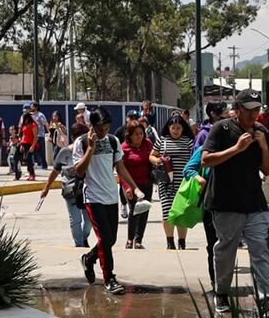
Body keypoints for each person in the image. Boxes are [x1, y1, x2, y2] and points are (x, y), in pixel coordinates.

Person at [201, 89, 269, 314]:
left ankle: (266, 298)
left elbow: (268, 169)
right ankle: (221, 292)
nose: (254, 116)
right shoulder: (220, 129)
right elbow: (206, 160)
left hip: (254, 202)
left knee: (260, 249)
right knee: (226, 250)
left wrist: (262, 146)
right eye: (249, 110)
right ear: (238, 109)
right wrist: (236, 148)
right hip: (226, 202)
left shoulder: (261, 131)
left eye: (257, 110)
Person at [74, 107, 145, 295]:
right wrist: (90, 148)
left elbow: (120, 168)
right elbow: (79, 171)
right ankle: (109, 278)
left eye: (106, 127)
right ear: (92, 125)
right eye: (100, 127)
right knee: (104, 238)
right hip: (93, 197)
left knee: (111, 239)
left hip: (111, 197)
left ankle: (89, 258)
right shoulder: (81, 143)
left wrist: (133, 186)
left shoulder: (113, 142)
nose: (103, 130)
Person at [40, 142, 90, 247]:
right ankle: (79, 244)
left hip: (87, 189)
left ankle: (84, 237)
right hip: (70, 189)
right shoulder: (65, 152)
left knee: (89, 219)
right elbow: (55, 171)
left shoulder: (90, 150)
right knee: (75, 220)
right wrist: (46, 187)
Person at [156, 113, 195, 250]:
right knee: (167, 212)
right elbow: (152, 156)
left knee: (181, 212)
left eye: (178, 128)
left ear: (183, 128)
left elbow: (195, 158)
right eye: (173, 128)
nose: (176, 130)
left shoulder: (188, 142)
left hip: (183, 183)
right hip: (166, 182)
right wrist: (158, 160)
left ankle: (182, 241)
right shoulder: (162, 141)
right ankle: (170, 241)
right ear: (169, 128)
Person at [121, 121, 159, 249]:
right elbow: (121, 170)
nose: (139, 136)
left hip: (146, 183)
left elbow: (154, 158)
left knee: (144, 210)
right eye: (136, 134)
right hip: (131, 185)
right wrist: (126, 187)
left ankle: (139, 240)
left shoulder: (148, 144)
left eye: (141, 133)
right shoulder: (124, 148)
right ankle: (130, 239)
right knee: (134, 210)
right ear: (129, 135)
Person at [184, 144, 216, 290]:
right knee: (213, 245)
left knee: (229, 247)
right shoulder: (207, 146)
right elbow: (188, 169)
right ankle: (216, 284)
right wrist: (199, 179)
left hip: (236, 205)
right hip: (211, 204)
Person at [18, 112, 39, 181]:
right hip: (24, 144)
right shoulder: (24, 125)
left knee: (28, 158)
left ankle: (32, 174)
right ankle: (30, 173)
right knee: (26, 159)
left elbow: (35, 136)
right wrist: (21, 145)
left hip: (31, 144)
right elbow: (23, 135)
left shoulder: (33, 125)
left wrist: (33, 146)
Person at [29, 101, 49, 168]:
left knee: (41, 151)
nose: (31, 107)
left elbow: (45, 123)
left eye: (32, 106)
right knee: (33, 151)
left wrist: (49, 132)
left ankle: (44, 165)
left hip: (40, 135)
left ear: (36, 107)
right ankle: (36, 164)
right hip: (32, 136)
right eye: (31, 106)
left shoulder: (40, 115)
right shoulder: (30, 115)